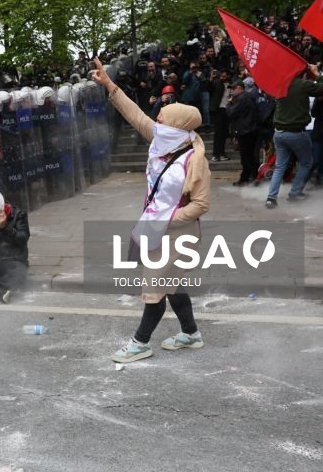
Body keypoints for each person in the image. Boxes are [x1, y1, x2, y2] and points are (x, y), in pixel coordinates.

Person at [91, 58, 211, 363]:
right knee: (172, 284)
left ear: (178, 127)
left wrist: (168, 219)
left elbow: (200, 204)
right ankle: (191, 333)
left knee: (154, 287)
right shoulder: (161, 140)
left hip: (178, 231)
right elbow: (134, 113)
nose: (156, 121)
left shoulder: (194, 159)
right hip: (156, 225)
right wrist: (109, 84)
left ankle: (140, 342)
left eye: (162, 118)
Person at [265, 64, 323, 208]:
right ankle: (295, 193)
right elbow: (321, 88)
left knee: (280, 166)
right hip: (297, 132)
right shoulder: (303, 85)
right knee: (306, 162)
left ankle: (271, 198)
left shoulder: (280, 84)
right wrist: (317, 74)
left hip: (278, 132)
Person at [225, 80, 259, 186]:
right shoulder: (245, 97)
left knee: (247, 157)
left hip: (246, 131)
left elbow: (232, 113)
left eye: (234, 88)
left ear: (240, 88)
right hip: (247, 130)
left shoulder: (242, 98)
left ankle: (252, 177)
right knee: (248, 156)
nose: (232, 91)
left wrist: (229, 104)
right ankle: (248, 177)